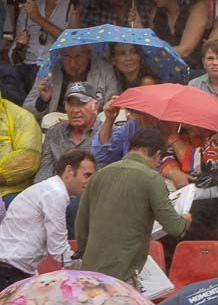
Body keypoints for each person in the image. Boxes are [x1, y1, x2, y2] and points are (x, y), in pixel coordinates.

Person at [75, 128, 190, 282]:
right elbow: (174, 227)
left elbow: (81, 224)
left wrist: (83, 251)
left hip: (90, 271)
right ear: (157, 155)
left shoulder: (99, 175)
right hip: (123, 274)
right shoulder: (152, 178)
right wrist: (185, 220)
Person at [0, 149, 94, 289]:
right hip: (10, 269)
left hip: (13, 267)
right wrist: (87, 270)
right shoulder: (55, 194)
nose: (90, 182)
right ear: (69, 171)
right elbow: (59, 249)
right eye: (87, 175)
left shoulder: (49, 190)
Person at [23, 45, 118, 125]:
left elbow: (113, 106)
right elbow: (26, 113)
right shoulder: (49, 70)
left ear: (88, 54)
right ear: (60, 56)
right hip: (55, 128)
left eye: (78, 56)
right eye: (67, 56)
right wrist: (42, 101)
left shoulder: (105, 70)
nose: (73, 63)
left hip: (94, 129)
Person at [35, 83, 99, 185]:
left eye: (81, 104)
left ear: (95, 105)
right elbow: (45, 171)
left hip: (92, 193)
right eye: (71, 104)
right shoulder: (54, 132)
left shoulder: (107, 132)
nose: (75, 110)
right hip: (59, 193)